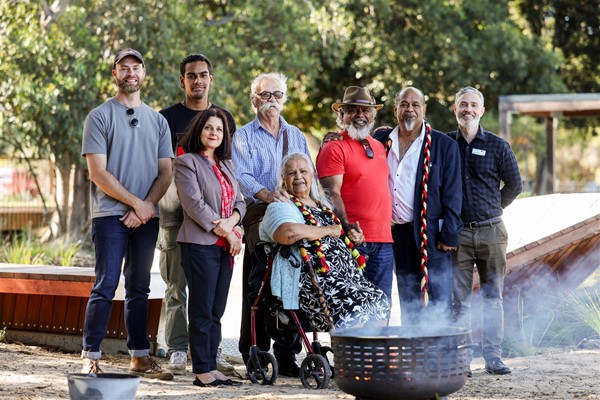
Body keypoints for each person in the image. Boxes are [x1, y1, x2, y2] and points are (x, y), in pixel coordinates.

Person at [80, 48, 174, 379]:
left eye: (136, 67)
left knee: (139, 287)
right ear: (114, 74)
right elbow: (98, 173)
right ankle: (90, 355)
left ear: (143, 74)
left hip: (146, 219)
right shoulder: (99, 116)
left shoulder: (158, 121)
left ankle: (139, 357)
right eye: (124, 67)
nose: (130, 72)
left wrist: (145, 208)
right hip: (109, 216)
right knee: (106, 284)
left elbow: (166, 172)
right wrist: (138, 204)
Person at [158, 54, 237, 375]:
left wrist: (231, 220)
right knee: (177, 286)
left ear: (211, 79)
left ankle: (210, 350)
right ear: (183, 81)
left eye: (204, 75)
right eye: (192, 76)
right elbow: (161, 168)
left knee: (211, 292)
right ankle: (177, 348)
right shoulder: (165, 119)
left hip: (217, 224)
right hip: (175, 217)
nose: (198, 81)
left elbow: (229, 168)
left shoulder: (224, 118)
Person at [232, 72, 311, 377]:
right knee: (259, 282)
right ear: (254, 100)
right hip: (259, 212)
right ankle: (254, 351)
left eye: (277, 95)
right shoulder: (244, 136)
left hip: (290, 213)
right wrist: (268, 194)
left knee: (294, 279)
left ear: (284, 99)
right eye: (265, 95)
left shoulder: (297, 135)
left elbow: (307, 172)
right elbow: (242, 176)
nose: (271, 101)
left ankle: (288, 354)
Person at [259, 153, 390, 331]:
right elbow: (288, 233)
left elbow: (339, 235)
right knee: (357, 304)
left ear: (312, 175)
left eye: (303, 171)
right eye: (291, 173)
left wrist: (352, 236)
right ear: (283, 179)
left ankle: (367, 354)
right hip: (315, 282)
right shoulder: (281, 205)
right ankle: (349, 353)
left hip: (346, 278)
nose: (298, 177)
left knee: (380, 299)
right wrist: (327, 230)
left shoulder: (323, 205)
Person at [373, 86, 462, 327]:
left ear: (424, 109)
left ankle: (442, 359)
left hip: (431, 234)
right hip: (396, 234)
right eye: (404, 104)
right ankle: (415, 356)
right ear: (395, 110)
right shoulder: (380, 141)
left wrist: (450, 234)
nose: (409, 109)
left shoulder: (443, 146)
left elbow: (453, 194)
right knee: (409, 296)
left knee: (438, 297)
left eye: (415, 104)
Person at [449, 86, 522, 376]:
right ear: (455, 109)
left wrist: (494, 208)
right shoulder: (444, 144)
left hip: (492, 232)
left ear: (482, 111)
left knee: (493, 297)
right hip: (458, 235)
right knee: (460, 300)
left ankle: (493, 357)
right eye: (462, 104)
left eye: (473, 105)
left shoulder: (497, 146)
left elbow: (515, 185)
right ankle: (462, 359)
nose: (468, 109)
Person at [175, 108, 245, 387]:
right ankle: (202, 369)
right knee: (202, 308)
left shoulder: (227, 164)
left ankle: (212, 366)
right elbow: (194, 205)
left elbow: (240, 202)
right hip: (200, 244)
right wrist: (227, 232)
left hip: (224, 247)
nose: (214, 133)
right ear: (199, 131)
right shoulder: (186, 162)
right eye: (209, 128)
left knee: (217, 309)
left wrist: (232, 224)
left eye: (219, 129)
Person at [316, 86, 394, 299]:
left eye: (365, 110)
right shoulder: (334, 147)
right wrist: (346, 225)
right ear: (342, 115)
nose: (360, 115)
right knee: (352, 308)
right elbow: (331, 192)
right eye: (353, 110)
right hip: (351, 239)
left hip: (384, 241)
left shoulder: (379, 146)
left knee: (382, 307)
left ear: (373, 115)